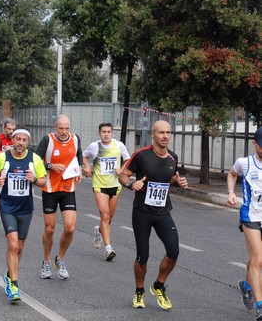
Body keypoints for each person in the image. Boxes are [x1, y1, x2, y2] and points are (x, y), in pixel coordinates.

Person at [118, 120, 188, 310]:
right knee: (143, 256)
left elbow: (171, 177)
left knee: (173, 251)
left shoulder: (172, 157)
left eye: (168, 133)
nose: (165, 136)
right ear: (153, 135)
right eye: (161, 133)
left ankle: (158, 285)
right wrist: (131, 184)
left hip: (163, 211)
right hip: (142, 212)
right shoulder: (141, 155)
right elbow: (122, 175)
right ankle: (139, 290)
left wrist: (178, 181)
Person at [0, 127, 47, 301]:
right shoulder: (3, 157)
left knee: (20, 247)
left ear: (27, 142)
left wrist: (35, 180)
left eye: (24, 140)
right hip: (7, 206)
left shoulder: (34, 159)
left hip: (25, 208)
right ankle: (14, 285)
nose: (20, 143)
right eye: (17, 139)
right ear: (12, 140)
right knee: (13, 245)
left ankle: (9, 274)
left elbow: (44, 181)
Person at [36, 114, 83, 280]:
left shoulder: (75, 139)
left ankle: (60, 259)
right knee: (50, 229)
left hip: (68, 188)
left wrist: (79, 170)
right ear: (55, 127)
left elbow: (78, 155)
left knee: (70, 228)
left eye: (67, 128)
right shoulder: (47, 140)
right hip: (49, 189)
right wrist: (50, 165)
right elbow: (35, 161)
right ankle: (46, 261)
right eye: (61, 128)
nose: (64, 132)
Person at [227, 126, 262, 321]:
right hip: (250, 216)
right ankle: (260, 305)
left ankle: (247, 286)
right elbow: (232, 174)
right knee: (258, 259)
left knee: (258, 260)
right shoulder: (245, 163)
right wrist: (231, 192)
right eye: (261, 146)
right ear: (254, 144)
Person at [83, 122, 130, 261]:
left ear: (112, 133)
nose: (106, 134)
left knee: (109, 218)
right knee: (105, 215)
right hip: (100, 185)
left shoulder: (119, 145)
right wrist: (86, 166)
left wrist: (121, 169)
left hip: (115, 185)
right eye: (103, 132)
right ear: (99, 133)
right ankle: (108, 248)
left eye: (108, 132)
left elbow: (128, 159)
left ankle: (99, 231)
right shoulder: (94, 146)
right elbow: (83, 156)